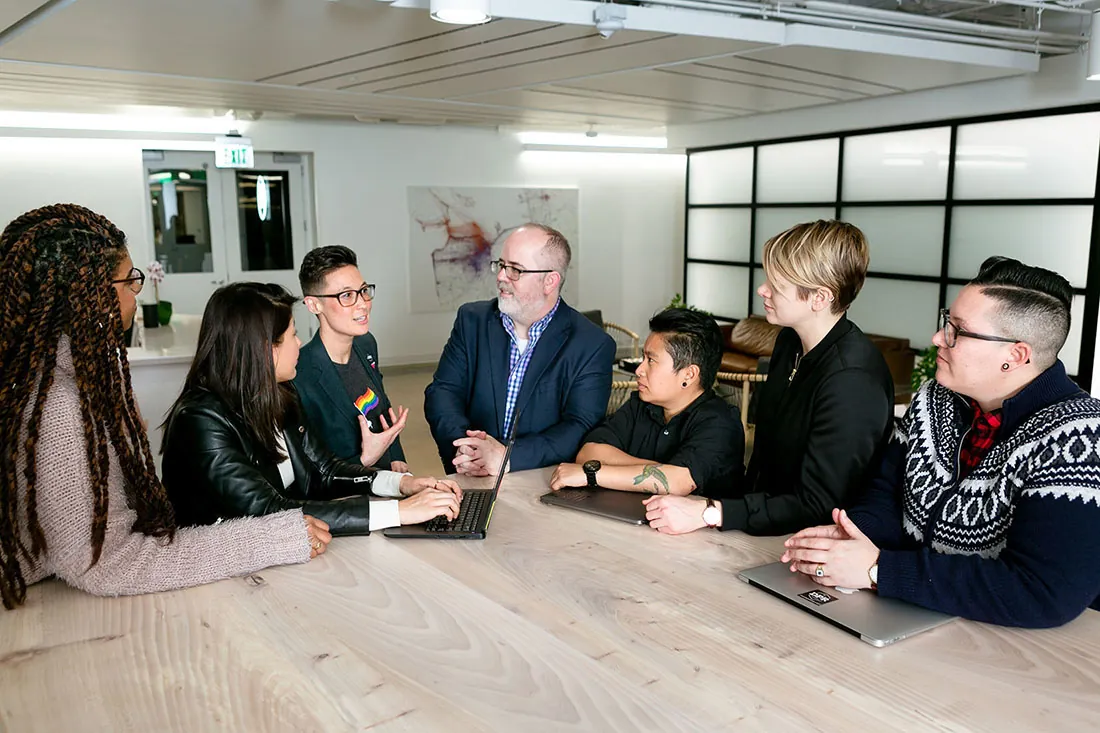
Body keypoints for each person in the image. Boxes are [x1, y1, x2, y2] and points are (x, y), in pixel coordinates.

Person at [0, 204, 332, 610]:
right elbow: (105, 563)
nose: (136, 292)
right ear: (89, 294)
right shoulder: (59, 407)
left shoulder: (73, 377)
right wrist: (273, 537)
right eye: (129, 280)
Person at [782, 257, 1100, 628]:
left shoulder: (1080, 436)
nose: (937, 338)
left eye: (957, 331)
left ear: (1015, 356)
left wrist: (879, 569)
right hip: (911, 611)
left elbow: (1043, 591)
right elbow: (887, 494)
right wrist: (853, 537)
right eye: (946, 322)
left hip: (1011, 640)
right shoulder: (934, 398)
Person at [645, 220, 893, 535]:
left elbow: (818, 504)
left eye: (777, 284)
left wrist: (712, 513)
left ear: (819, 298)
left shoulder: (853, 380)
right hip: (760, 525)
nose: (763, 289)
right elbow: (763, 461)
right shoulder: (790, 341)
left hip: (810, 541)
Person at [161, 283, 461, 535]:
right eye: (292, 335)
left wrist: (401, 484)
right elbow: (269, 512)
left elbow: (325, 470)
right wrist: (398, 512)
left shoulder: (279, 393)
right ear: (265, 349)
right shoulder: (200, 420)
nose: (300, 342)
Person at [424, 223, 615, 476]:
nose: (501, 276)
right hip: (469, 472)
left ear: (549, 281)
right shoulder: (472, 321)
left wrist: (507, 458)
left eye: (515, 269)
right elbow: (443, 392)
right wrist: (465, 448)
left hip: (540, 481)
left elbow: (580, 425)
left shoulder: (592, 344)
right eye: (501, 265)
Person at [549, 308, 743, 504]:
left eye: (651, 360)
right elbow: (589, 453)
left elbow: (679, 482)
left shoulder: (721, 422)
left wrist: (591, 475)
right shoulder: (641, 405)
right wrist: (660, 471)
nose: (639, 370)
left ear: (689, 375)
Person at [293, 245, 408, 472]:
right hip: (349, 488)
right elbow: (311, 472)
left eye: (363, 290)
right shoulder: (300, 374)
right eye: (346, 295)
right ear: (314, 304)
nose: (363, 303)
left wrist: (396, 458)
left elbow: (382, 408)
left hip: (388, 477)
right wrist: (364, 461)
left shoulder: (366, 344)